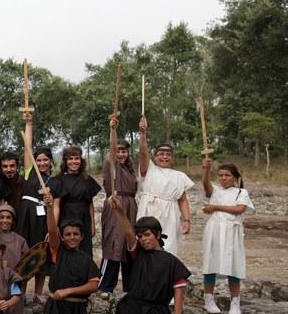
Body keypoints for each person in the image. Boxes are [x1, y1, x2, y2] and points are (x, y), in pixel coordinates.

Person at [200, 158, 254, 314]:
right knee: (210, 263)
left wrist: (215, 207)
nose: (223, 178)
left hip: (232, 232)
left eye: (227, 175)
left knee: (233, 264)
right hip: (214, 230)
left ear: (235, 178)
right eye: (221, 175)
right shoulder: (215, 191)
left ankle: (235, 301)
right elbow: (206, 185)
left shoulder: (241, 192)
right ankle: (209, 299)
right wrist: (206, 169)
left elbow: (239, 209)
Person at [136, 116, 193, 257]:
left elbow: (182, 200)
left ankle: (167, 275)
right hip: (149, 210)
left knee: (169, 245)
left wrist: (186, 220)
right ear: (155, 157)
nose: (164, 157)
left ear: (172, 158)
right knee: (146, 243)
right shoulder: (149, 169)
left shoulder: (179, 176)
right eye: (161, 154)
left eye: (168, 155)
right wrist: (143, 133)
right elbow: (143, 152)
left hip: (170, 214)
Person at [100, 117, 138, 297]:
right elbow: (112, 149)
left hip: (130, 207)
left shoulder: (130, 170)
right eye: (119, 151)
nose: (121, 154)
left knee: (129, 244)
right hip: (116, 204)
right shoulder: (111, 165)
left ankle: (130, 287)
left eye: (124, 151)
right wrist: (113, 130)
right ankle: (105, 286)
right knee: (114, 243)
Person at [16, 147, 54, 303]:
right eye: (39, 160)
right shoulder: (30, 173)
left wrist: (51, 229)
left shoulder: (54, 180)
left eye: (45, 160)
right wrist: (29, 123)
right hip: (25, 219)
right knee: (25, 255)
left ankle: (38, 293)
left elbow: (55, 206)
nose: (42, 163)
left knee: (42, 255)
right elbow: (27, 148)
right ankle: (22, 293)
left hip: (42, 221)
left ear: (51, 161)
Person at [51, 146, 101, 257]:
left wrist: (92, 225)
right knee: (65, 251)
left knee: (84, 251)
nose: (74, 161)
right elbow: (56, 206)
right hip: (66, 217)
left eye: (76, 158)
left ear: (81, 160)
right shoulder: (58, 179)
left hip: (84, 219)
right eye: (70, 159)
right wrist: (54, 227)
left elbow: (90, 204)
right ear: (65, 161)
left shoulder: (87, 179)